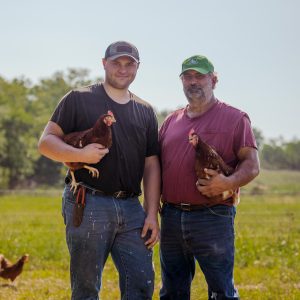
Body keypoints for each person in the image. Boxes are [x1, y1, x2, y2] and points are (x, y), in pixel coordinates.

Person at [38, 41, 161, 300]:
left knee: (141, 283)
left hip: (131, 207)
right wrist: (80, 155)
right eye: (116, 62)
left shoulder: (146, 112)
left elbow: (151, 164)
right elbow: (46, 142)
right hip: (88, 201)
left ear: (138, 68)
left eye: (130, 64)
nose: (123, 69)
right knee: (86, 288)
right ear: (104, 63)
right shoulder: (78, 98)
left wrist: (151, 213)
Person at [159, 55, 260, 300]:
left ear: (213, 80)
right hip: (171, 216)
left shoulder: (235, 118)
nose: (193, 82)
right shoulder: (171, 121)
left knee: (220, 291)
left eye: (200, 76)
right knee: (172, 291)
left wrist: (228, 183)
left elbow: (252, 165)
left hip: (212, 215)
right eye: (187, 76)